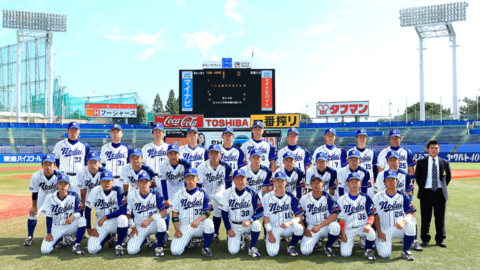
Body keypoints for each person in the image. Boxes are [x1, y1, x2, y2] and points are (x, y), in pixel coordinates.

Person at [373, 170, 417, 261]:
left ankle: (406, 251)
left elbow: (411, 212)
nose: (390, 181)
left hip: (398, 228)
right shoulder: (377, 197)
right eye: (388, 179)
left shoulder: (403, 196)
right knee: (384, 254)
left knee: (411, 225)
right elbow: (375, 215)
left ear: (397, 181)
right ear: (384, 182)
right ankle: (377, 241)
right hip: (383, 230)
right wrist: (379, 232)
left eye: (393, 179)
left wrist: (404, 222)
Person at [170, 168, 215, 257]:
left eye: (193, 177)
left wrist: (198, 220)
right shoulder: (178, 194)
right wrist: (177, 230)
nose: (191, 180)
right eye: (188, 177)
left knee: (209, 223)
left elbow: (208, 211)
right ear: (184, 179)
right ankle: (189, 241)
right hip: (184, 226)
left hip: (199, 225)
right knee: (175, 251)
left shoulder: (203, 193)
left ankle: (205, 247)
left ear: (197, 179)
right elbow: (174, 214)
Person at [24, 154, 67, 246]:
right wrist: (34, 206)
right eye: (45, 164)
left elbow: (65, 190)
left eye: (50, 164)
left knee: (61, 214)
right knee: (33, 214)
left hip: (56, 195)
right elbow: (35, 192)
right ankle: (30, 237)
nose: (48, 166)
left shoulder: (60, 175)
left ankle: (63, 236)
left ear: (54, 165)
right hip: (43, 194)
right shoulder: (36, 176)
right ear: (42, 165)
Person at [415, 140, 451, 248]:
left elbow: (447, 178)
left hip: (440, 193)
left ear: (439, 150)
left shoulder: (444, 162)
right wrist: (425, 187)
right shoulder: (421, 163)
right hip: (426, 193)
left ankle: (440, 239)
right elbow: (418, 178)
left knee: (440, 218)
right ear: (427, 150)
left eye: (436, 148)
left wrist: (442, 187)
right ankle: (425, 239)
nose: (434, 150)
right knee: (425, 217)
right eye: (432, 148)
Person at [220, 169, 264, 257]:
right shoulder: (227, 193)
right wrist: (229, 229)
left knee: (257, 224)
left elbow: (260, 210)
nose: (240, 181)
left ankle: (252, 247)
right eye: (238, 179)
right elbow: (224, 212)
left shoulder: (251, 192)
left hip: (247, 224)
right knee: (233, 251)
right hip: (234, 225)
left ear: (246, 179)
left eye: (242, 179)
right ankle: (240, 238)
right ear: (234, 180)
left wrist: (251, 220)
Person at [84, 170, 128, 256]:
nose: (106, 183)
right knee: (92, 250)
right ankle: (107, 237)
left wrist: (105, 217)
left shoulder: (118, 190)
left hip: (115, 222)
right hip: (101, 224)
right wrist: (89, 228)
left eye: (108, 180)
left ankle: (118, 245)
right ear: (100, 181)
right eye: (104, 181)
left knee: (123, 218)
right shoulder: (95, 191)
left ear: (113, 181)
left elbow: (123, 211)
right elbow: (88, 209)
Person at [40, 174, 87, 255]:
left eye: (65, 183)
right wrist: (49, 233)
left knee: (82, 220)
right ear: (56, 185)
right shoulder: (49, 197)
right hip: (57, 227)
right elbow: (48, 216)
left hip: (70, 226)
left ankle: (76, 244)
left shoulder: (74, 195)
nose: (63, 186)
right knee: (45, 250)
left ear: (69, 185)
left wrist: (72, 216)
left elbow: (80, 212)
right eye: (60, 183)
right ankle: (61, 239)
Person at [262, 171, 304, 257]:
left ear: (286, 182)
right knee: (272, 253)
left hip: (287, 227)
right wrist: (270, 234)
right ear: (274, 182)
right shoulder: (266, 197)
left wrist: (289, 223)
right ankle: (275, 240)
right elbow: (265, 218)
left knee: (299, 228)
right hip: (273, 228)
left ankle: (291, 246)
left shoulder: (291, 197)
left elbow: (299, 217)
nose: (280, 183)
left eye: (282, 181)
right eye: (278, 181)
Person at [126, 172, 168, 257]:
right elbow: (127, 214)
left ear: (150, 183)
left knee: (161, 222)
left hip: (153, 224)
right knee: (131, 251)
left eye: (146, 181)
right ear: (137, 183)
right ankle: (144, 240)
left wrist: (149, 219)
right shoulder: (131, 195)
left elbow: (164, 212)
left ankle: (159, 246)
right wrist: (133, 228)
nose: (144, 184)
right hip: (139, 226)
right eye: (142, 181)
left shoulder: (156, 194)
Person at [197, 144, 233, 243]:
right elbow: (199, 184)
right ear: (208, 154)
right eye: (212, 153)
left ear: (220, 154)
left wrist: (228, 197)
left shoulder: (226, 166)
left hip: (219, 191)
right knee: (201, 211)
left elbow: (228, 184)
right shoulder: (202, 166)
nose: (214, 155)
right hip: (205, 190)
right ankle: (199, 233)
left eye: (216, 153)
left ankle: (216, 233)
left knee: (219, 211)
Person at [337, 172, 376, 260]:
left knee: (371, 232)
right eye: (352, 181)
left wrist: (368, 225)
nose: (354, 184)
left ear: (360, 183)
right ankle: (350, 244)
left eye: (356, 181)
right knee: (345, 254)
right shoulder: (341, 199)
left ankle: (368, 250)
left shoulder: (366, 198)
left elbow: (371, 214)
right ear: (348, 184)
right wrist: (342, 233)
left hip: (362, 227)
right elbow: (341, 218)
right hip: (348, 228)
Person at [300, 174, 340, 257]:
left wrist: (320, 226)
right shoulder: (304, 199)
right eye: (314, 182)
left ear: (322, 183)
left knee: (335, 226)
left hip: (326, 226)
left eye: (318, 182)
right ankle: (316, 241)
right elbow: (300, 216)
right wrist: (304, 229)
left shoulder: (329, 197)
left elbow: (334, 215)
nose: (316, 184)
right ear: (310, 184)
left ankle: (327, 247)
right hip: (312, 227)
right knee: (305, 251)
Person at [53, 121, 90, 198]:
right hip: (64, 177)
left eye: (75, 130)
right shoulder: (59, 144)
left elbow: (88, 162)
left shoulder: (84, 145)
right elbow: (55, 160)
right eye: (71, 129)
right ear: (67, 131)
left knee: (79, 202)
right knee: (63, 202)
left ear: (79, 131)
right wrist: (62, 169)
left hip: (78, 177)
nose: (74, 132)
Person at [142, 122, 170, 196]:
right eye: (156, 131)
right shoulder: (146, 148)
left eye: (160, 131)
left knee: (166, 201)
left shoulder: (169, 147)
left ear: (163, 132)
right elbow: (142, 165)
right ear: (152, 133)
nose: (158, 134)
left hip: (165, 179)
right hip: (150, 179)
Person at [348, 129, 378, 194]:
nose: (362, 138)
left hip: (369, 182)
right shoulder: (350, 152)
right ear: (356, 138)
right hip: (354, 181)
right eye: (360, 136)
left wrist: (375, 181)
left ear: (366, 138)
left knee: (369, 200)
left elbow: (375, 168)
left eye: (363, 136)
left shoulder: (372, 151)